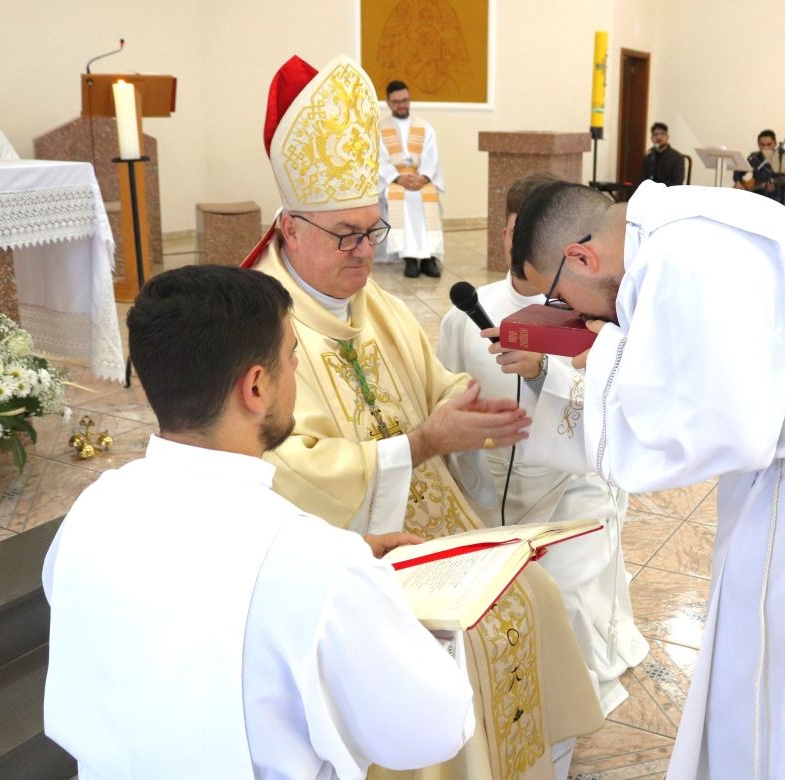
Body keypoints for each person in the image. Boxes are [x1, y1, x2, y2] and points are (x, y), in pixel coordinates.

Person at [242, 54, 604, 780]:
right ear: (290, 226)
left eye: (372, 231)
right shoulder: (255, 320)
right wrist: (420, 443)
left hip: (433, 522)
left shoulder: (368, 299)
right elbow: (280, 466)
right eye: (347, 235)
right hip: (351, 548)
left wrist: (461, 406)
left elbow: (430, 379)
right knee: (442, 640)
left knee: (529, 592)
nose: (364, 252)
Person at [509, 179, 785, 778]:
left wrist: (598, 356)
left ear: (581, 257)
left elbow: (723, 423)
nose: (569, 315)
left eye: (558, 298)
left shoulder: (680, 258)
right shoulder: (685, 219)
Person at [43, 265, 474, 778]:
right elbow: (429, 732)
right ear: (255, 387)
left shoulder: (91, 511)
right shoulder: (317, 564)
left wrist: (345, 566)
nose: (296, 370)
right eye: (293, 357)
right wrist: (389, 609)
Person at [436, 171, 650, 717]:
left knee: (570, 601)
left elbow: (614, 396)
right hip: (493, 483)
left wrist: (543, 372)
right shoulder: (471, 309)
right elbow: (446, 385)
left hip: (572, 481)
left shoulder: (605, 303)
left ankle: (570, 708)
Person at [379, 79, 445, 278]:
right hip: (396, 180)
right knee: (402, 196)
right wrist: (398, 178)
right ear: (389, 103)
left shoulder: (424, 127)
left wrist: (423, 177)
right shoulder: (379, 128)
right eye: (397, 101)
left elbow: (431, 156)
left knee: (427, 195)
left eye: (405, 100)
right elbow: (377, 160)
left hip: (420, 178)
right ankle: (409, 258)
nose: (402, 105)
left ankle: (428, 258)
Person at [733, 129, 783, 202]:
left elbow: (784, 179)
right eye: (762, 145)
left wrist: (776, 186)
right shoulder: (755, 157)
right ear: (758, 145)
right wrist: (738, 182)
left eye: (769, 144)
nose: (765, 148)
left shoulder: (782, 159)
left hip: (775, 197)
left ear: (775, 144)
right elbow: (739, 171)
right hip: (756, 194)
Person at [640, 122, 685, 187]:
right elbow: (643, 179)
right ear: (652, 138)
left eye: (662, 134)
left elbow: (678, 183)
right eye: (655, 134)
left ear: (667, 137)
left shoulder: (677, 158)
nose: (658, 137)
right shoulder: (648, 156)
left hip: (668, 193)